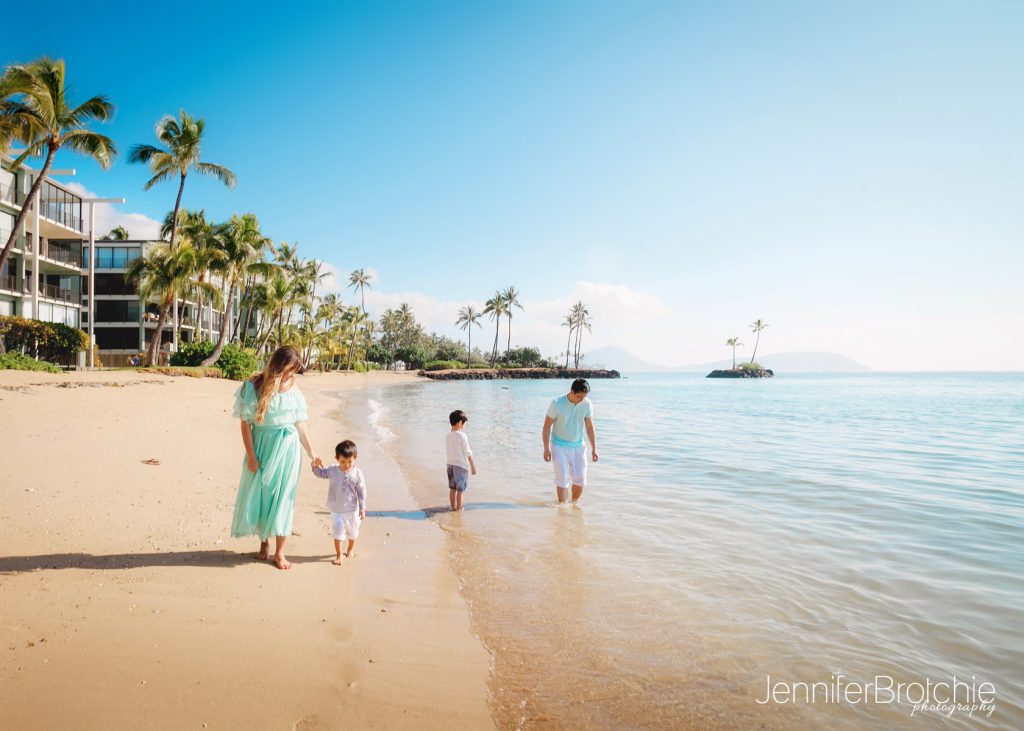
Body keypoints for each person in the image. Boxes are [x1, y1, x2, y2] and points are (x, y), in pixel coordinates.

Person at [231, 346, 320, 570]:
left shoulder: (294, 391)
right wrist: (251, 456)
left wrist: (312, 453)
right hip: (263, 446)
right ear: (278, 365)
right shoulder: (253, 387)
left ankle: (280, 553)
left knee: (284, 500)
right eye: (290, 370)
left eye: (295, 371)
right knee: (264, 496)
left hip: (288, 451)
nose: (292, 375)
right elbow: (246, 425)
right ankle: (264, 542)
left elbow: (300, 424)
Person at [542, 378, 598, 503]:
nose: (582, 400)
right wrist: (546, 448)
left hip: (578, 446)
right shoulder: (556, 403)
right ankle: (562, 508)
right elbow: (546, 427)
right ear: (571, 392)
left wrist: (594, 449)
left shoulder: (587, 404)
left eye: (584, 397)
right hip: (559, 446)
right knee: (562, 479)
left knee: (580, 480)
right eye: (579, 397)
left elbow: (589, 427)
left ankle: (573, 506)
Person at [312, 440, 366, 563]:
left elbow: (361, 492)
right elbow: (321, 473)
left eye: (350, 462)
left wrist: (362, 508)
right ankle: (339, 555)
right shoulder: (332, 470)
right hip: (336, 509)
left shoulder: (358, 474)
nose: (346, 465)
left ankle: (350, 549)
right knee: (338, 530)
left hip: (353, 510)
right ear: (337, 459)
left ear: (355, 458)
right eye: (343, 461)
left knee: (353, 532)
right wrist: (315, 466)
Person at [445, 410, 477, 511]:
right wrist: (473, 466)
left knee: (452, 488)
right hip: (461, 466)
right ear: (459, 423)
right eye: (464, 424)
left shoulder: (448, 436)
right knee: (460, 490)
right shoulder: (462, 436)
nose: (464, 427)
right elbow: (468, 452)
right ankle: (458, 509)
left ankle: (452, 507)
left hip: (450, 465)